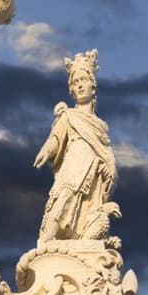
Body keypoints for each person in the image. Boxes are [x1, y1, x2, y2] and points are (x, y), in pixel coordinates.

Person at [34, 50, 117, 242]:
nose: (79, 85)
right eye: (75, 82)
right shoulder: (69, 116)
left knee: (86, 209)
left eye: (83, 80)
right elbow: (56, 137)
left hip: (91, 171)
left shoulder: (101, 126)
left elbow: (107, 154)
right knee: (63, 197)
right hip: (72, 166)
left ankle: (82, 236)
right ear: (71, 89)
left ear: (93, 86)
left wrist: (107, 168)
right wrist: (46, 150)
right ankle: (46, 240)